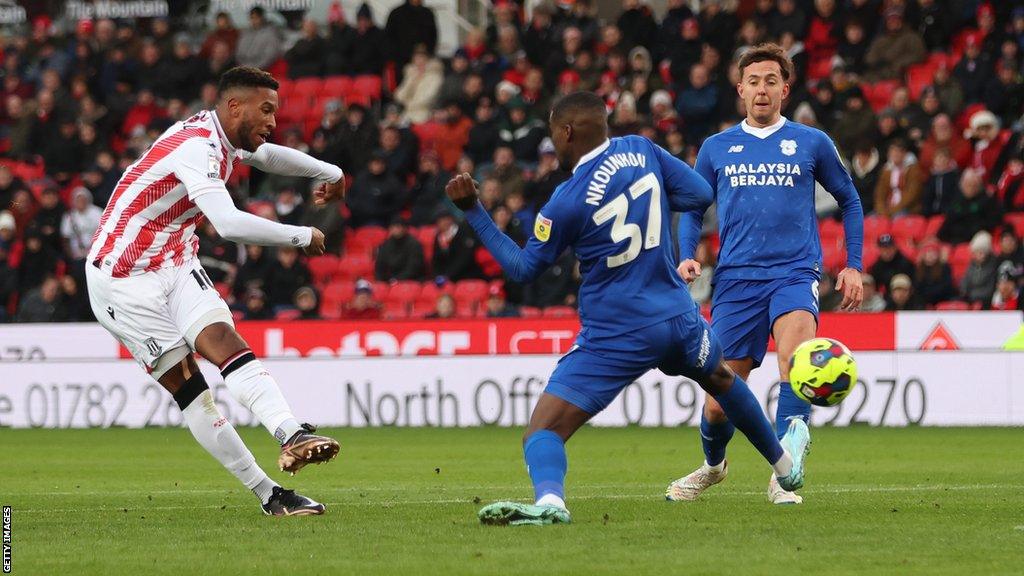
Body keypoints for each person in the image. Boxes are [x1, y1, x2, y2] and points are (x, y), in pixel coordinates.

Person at [447, 91, 811, 526]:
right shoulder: (640, 149)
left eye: (553, 133)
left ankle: (550, 502)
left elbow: (524, 269)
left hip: (618, 330)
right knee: (722, 380)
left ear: (566, 132)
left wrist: (474, 210)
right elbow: (697, 193)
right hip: (678, 316)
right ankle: (785, 469)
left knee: (542, 431)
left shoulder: (566, 200)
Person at [85, 67, 346, 516]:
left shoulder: (222, 138)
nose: (272, 121)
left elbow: (266, 157)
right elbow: (227, 225)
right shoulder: (195, 147)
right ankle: (270, 495)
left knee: (227, 343)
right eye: (265, 110)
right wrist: (301, 236)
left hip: (175, 259)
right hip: (122, 278)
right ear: (234, 106)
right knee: (193, 390)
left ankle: (292, 433)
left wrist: (329, 170)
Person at [674, 43, 863, 505]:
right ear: (741, 89)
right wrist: (686, 253)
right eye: (754, 81)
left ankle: (783, 475)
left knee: (795, 364)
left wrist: (854, 265)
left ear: (785, 89)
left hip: (794, 272)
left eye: (771, 81)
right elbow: (692, 208)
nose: (762, 90)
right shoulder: (717, 148)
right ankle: (714, 467)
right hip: (736, 280)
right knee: (719, 401)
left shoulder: (811, 141)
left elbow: (851, 200)